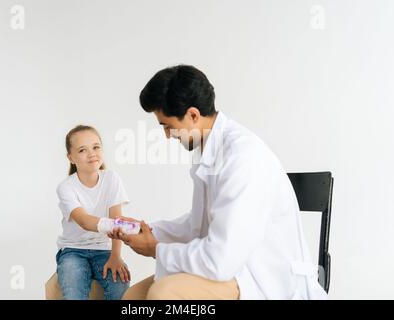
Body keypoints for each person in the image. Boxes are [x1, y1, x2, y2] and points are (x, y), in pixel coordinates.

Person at [110, 65, 328, 300]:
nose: (167, 135)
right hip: (233, 270)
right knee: (133, 297)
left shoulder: (242, 157)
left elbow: (220, 260)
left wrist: (156, 250)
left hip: (262, 279)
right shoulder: (210, 149)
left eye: (168, 126)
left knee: (164, 294)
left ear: (193, 115)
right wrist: (149, 231)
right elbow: (199, 225)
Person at [55, 125, 130, 300]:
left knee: (120, 285)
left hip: (103, 250)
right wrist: (122, 226)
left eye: (96, 147)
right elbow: (84, 221)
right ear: (71, 157)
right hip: (73, 250)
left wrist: (116, 256)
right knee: (74, 291)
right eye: (82, 150)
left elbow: (116, 219)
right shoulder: (66, 187)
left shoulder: (112, 179)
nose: (92, 153)